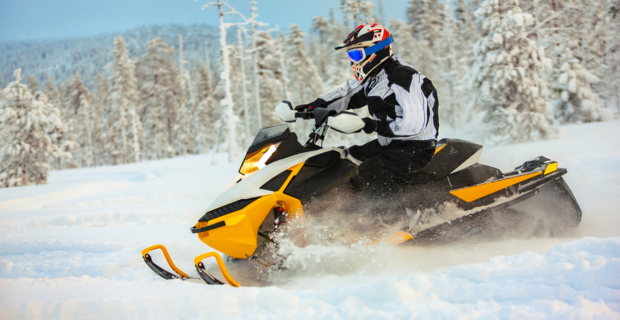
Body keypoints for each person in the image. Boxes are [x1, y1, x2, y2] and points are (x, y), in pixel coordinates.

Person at [295, 23, 439, 193]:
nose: (352, 62)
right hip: (389, 144)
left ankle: (392, 217)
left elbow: (413, 124)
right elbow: (346, 94)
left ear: (376, 51)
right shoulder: (375, 78)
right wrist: (312, 107)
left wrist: (369, 125)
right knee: (345, 159)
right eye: (350, 56)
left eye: (356, 55)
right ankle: (341, 209)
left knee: (372, 171)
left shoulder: (404, 76)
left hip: (416, 147)